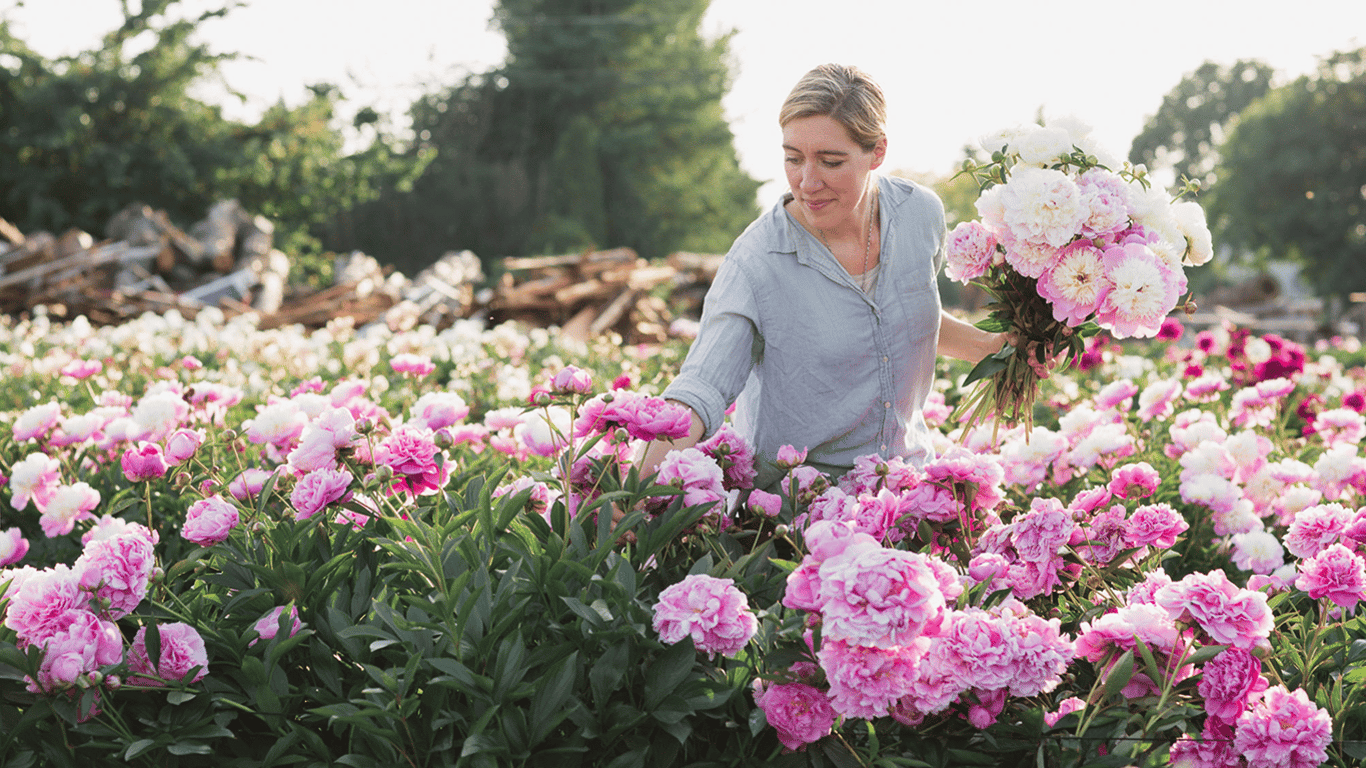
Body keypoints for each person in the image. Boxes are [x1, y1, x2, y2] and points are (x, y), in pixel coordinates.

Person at [639, 63, 1005, 492]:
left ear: (878, 152)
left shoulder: (920, 215)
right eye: (792, 159)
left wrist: (994, 347)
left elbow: (904, 318)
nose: (807, 182)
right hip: (800, 512)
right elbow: (703, 385)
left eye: (830, 162)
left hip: (912, 491)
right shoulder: (758, 260)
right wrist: (631, 490)